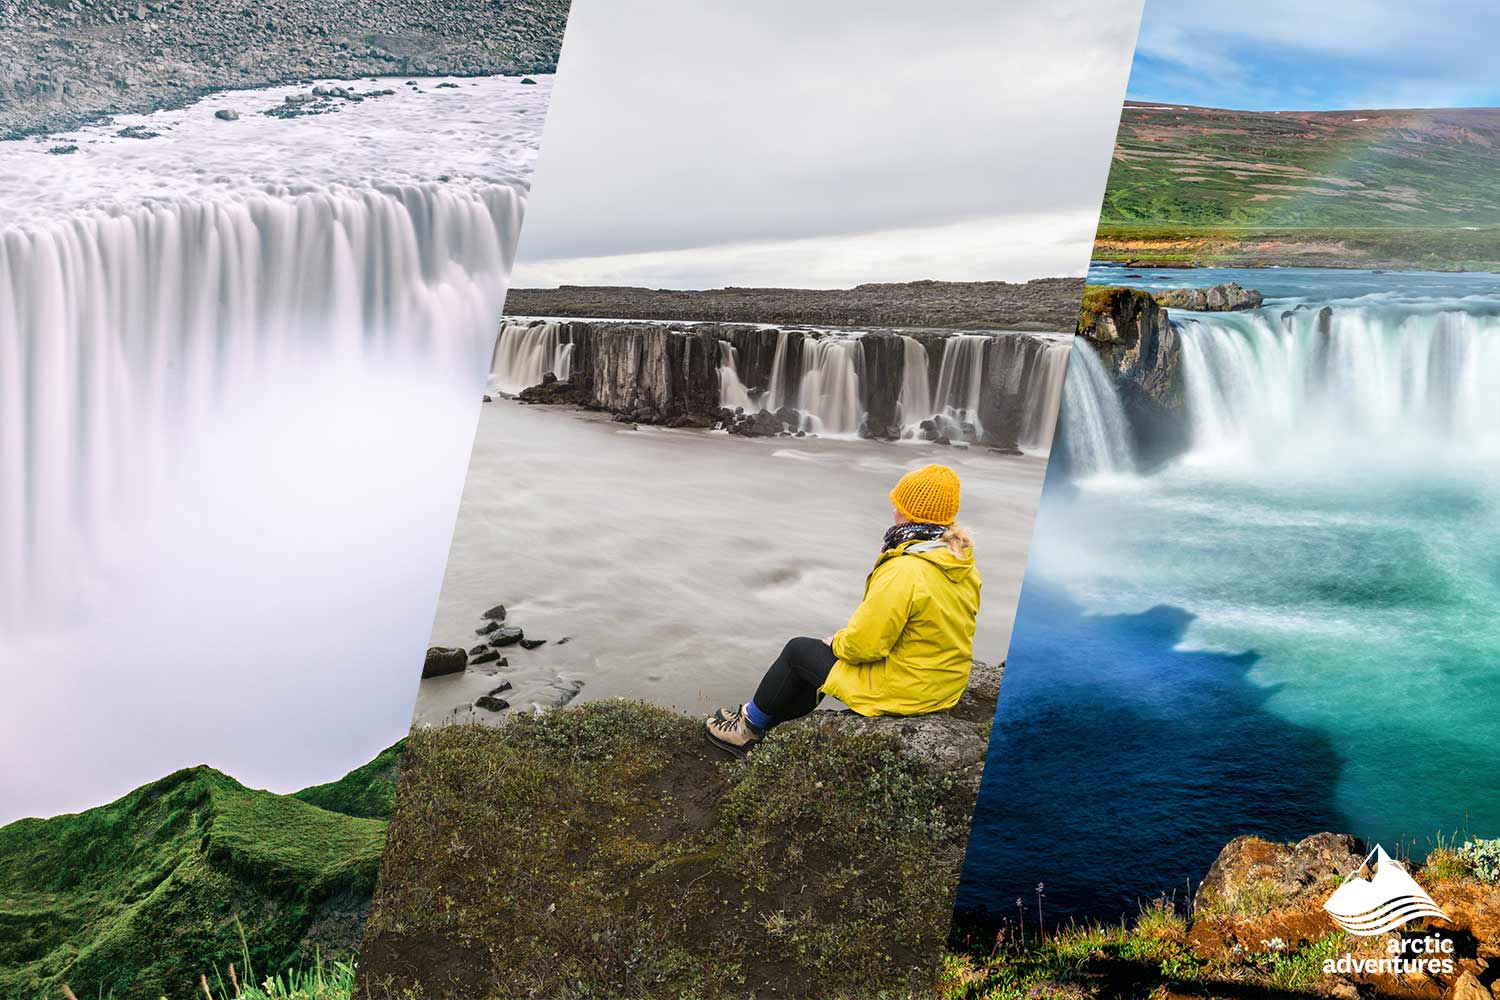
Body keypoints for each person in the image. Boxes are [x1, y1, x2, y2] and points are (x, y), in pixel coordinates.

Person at [705, 463, 981, 757]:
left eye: (898, 506)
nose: (893, 512)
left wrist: (837, 642)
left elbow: (865, 646)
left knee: (799, 652)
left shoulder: (906, 569)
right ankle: (764, 723)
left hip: (908, 690)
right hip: (944, 685)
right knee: (820, 660)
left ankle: (746, 730)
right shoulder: (960, 562)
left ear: (913, 514)